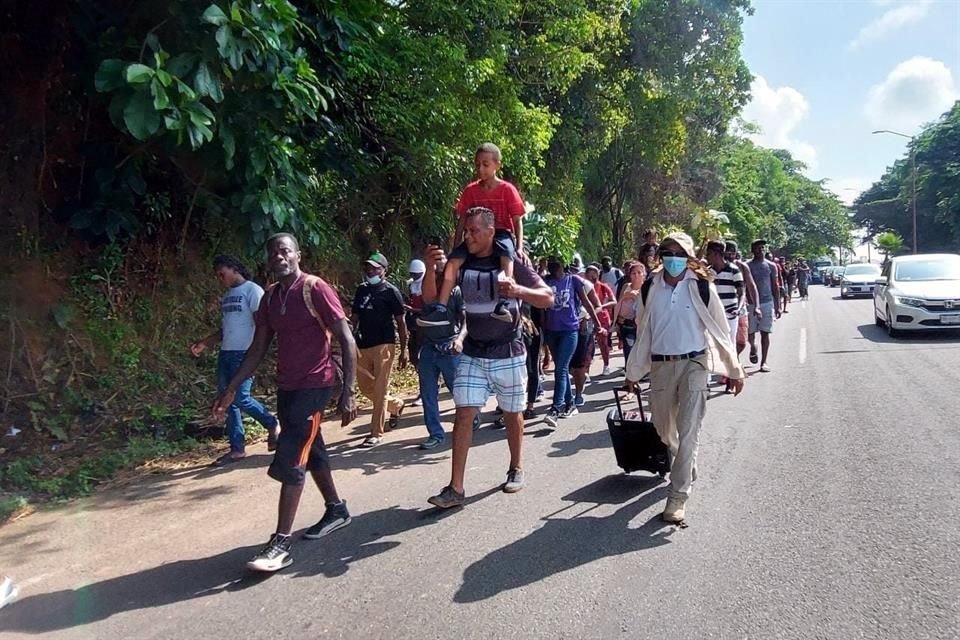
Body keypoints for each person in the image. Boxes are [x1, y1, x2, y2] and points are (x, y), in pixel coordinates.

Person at [213, 232, 359, 572]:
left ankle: (280, 542)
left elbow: (346, 338)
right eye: (273, 252)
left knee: (293, 452)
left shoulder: (315, 288)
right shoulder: (270, 298)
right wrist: (232, 387)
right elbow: (259, 346)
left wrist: (349, 390)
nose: (279, 257)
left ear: (297, 255)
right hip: (288, 386)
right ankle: (336, 509)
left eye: (285, 251)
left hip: (316, 383)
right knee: (314, 448)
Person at [425, 207, 553, 509]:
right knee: (464, 413)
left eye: (473, 231)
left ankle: (516, 467)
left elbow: (548, 298)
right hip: (473, 351)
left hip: (508, 350)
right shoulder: (462, 261)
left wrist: (517, 289)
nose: (467, 235)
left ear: (491, 231)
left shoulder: (511, 261)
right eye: (466, 230)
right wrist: (431, 269)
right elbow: (432, 300)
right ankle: (456, 488)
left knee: (511, 413)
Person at [625, 233, 745, 523]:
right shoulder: (651, 287)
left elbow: (720, 329)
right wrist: (633, 372)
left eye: (680, 253)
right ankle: (684, 460)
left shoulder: (702, 285)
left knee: (689, 427)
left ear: (689, 257)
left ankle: (678, 496)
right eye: (668, 252)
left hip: (695, 363)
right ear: (661, 256)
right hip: (661, 365)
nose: (673, 258)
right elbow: (643, 332)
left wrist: (734, 369)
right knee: (665, 429)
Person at [419, 143, 526, 327]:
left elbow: (517, 220)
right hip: (474, 234)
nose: (480, 169)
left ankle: (503, 303)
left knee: (506, 256)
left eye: (485, 164)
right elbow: (461, 220)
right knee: (452, 262)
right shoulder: (470, 190)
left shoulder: (507, 189)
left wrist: (519, 247)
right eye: (477, 165)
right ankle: (441, 308)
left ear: (497, 165)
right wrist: (457, 247)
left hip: (500, 233)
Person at [191, 255, 278, 465]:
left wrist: (256, 353)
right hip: (226, 353)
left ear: (234, 268)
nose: (221, 279)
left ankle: (272, 423)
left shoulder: (253, 291)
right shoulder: (229, 295)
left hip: (244, 353)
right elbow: (227, 328)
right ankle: (237, 448)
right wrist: (206, 342)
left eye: (222, 274)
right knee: (226, 400)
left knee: (240, 397)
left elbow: (262, 325)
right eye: (218, 276)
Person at [352, 252, 408, 448]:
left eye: (375, 268)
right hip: (362, 345)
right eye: (368, 267)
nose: (371, 271)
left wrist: (404, 350)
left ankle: (376, 433)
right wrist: (350, 340)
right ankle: (395, 405)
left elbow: (401, 323)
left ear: (384, 270)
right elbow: (355, 317)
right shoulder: (361, 290)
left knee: (379, 388)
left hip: (384, 345)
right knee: (366, 386)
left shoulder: (391, 292)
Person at [541, 258, 603, 429]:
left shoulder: (573, 280)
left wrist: (597, 324)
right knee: (562, 369)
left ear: (564, 263)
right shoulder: (545, 281)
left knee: (560, 368)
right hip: (552, 332)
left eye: (556, 260)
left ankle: (555, 409)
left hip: (570, 331)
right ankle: (570, 404)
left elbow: (586, 302)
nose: (552, 264)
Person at [415, 252, 467, 450]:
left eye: (441, 263)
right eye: (434, 263)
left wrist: (459, 340)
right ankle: (436, 434)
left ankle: (470, 417)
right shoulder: (426, 287)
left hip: (449, 347)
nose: (438, 266)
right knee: (428, 393)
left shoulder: (456, 291)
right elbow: (426, 309)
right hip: (428, 348)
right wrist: (416, 350)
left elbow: (465, 320)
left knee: (458, 392)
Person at [705, 241, 744, 393]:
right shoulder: (707, 272)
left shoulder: (734, 270)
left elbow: (741, 293)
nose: (707, 257)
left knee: (729, 347)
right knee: (708, 347)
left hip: (730, 314)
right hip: (712, 316)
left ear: (715, 253)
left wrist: (739, 309)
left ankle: (731, 380)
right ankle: (706, 384)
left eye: (709, 254)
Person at [748, 240, 782, 372]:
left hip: (767, 302)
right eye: (758, 248)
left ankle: (764, 361)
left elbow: (775, 286)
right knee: (750, 333)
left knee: (765, 333)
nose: (761, 250)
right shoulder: (747, 266)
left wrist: (777, 305)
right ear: (753, 250)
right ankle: (753, 346)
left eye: (763, 248)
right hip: (750, 303)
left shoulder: (771, 266)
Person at [724, 241, 761, 362]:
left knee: (741, 342)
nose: (729, 256)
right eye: (727, 253)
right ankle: (732, 364)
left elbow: (751, 287)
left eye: (732, 253)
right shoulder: (716, 267)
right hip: (722, 309)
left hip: (740, 308)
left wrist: (757, 306)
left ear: (736, 254)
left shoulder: (742, 267)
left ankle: (735, 358)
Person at [585, 264, 617, 375]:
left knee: (603, 343)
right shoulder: (583, 287)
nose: (592, 278)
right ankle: (586, 370)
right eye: (589, 275)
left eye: (594, 275)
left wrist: (602, 306)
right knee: (588, 345)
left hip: (602, 318)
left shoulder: (603, 287)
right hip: (588, 319)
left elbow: (614, 301)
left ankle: (606, 365)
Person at [614, 261, 646, 367]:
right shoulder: (626, 286)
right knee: (629, 350)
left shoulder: (647, 287)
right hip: (626, 324)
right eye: (633, 273)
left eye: (639, 272)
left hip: (642, 325)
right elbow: (619, 303)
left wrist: (636, 297)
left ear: (643, 274)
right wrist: (616, 321)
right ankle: (630, 375)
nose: (636, 275)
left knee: (643, 351)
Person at [404, 259, 427, 406]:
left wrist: (413, 310)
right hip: (414, 327)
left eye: (417, 274)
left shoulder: (428, 285)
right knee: (414, 359)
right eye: (413, 274)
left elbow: (429, 307)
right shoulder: (411, 285)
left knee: (424, 359)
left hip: (425, 327)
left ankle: (425, 392)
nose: (415, 276)